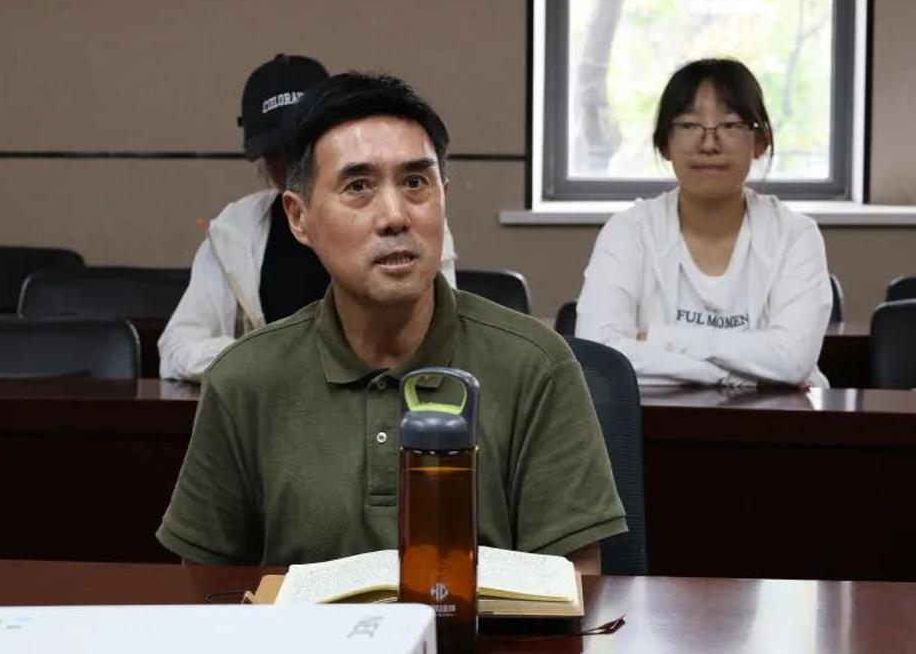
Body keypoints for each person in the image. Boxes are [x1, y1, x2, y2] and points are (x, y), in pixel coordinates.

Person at [157, 73, 627, 573]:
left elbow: (574, 581)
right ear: (298, 217)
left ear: (444, 196)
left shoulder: (536, 365)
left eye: (415, 183)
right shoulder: (242, 379)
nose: (395, 216)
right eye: (358, 187)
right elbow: (203, 589)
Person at [158, 54, 458, 381]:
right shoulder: (235, 230)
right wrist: (280, 360)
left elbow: (437, 337)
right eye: (278, 155)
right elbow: (178, 348)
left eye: (302, 151)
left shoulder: (406, 222)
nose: (294, 168)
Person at [575, 58, 832, 387]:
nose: (709, 144)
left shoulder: (795, 235)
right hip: (655, 419)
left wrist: (659, 339)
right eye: (689, 125)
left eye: (730, 125)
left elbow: (793, 359)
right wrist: (733, 376)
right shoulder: (629, 232)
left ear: (761, 141)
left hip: (778, 419)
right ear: (664, 143)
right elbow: (599, 359)